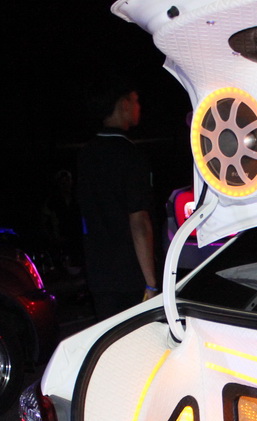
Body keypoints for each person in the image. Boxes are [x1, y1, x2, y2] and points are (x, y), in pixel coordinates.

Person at [77, 76, 159, 320]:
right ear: (123, 104)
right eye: (135, 100)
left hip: (99, 274)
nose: (138, 106)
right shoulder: (131, 155)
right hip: (130, 275)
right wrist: (151, 283)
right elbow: (139, 222)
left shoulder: (86, 155)